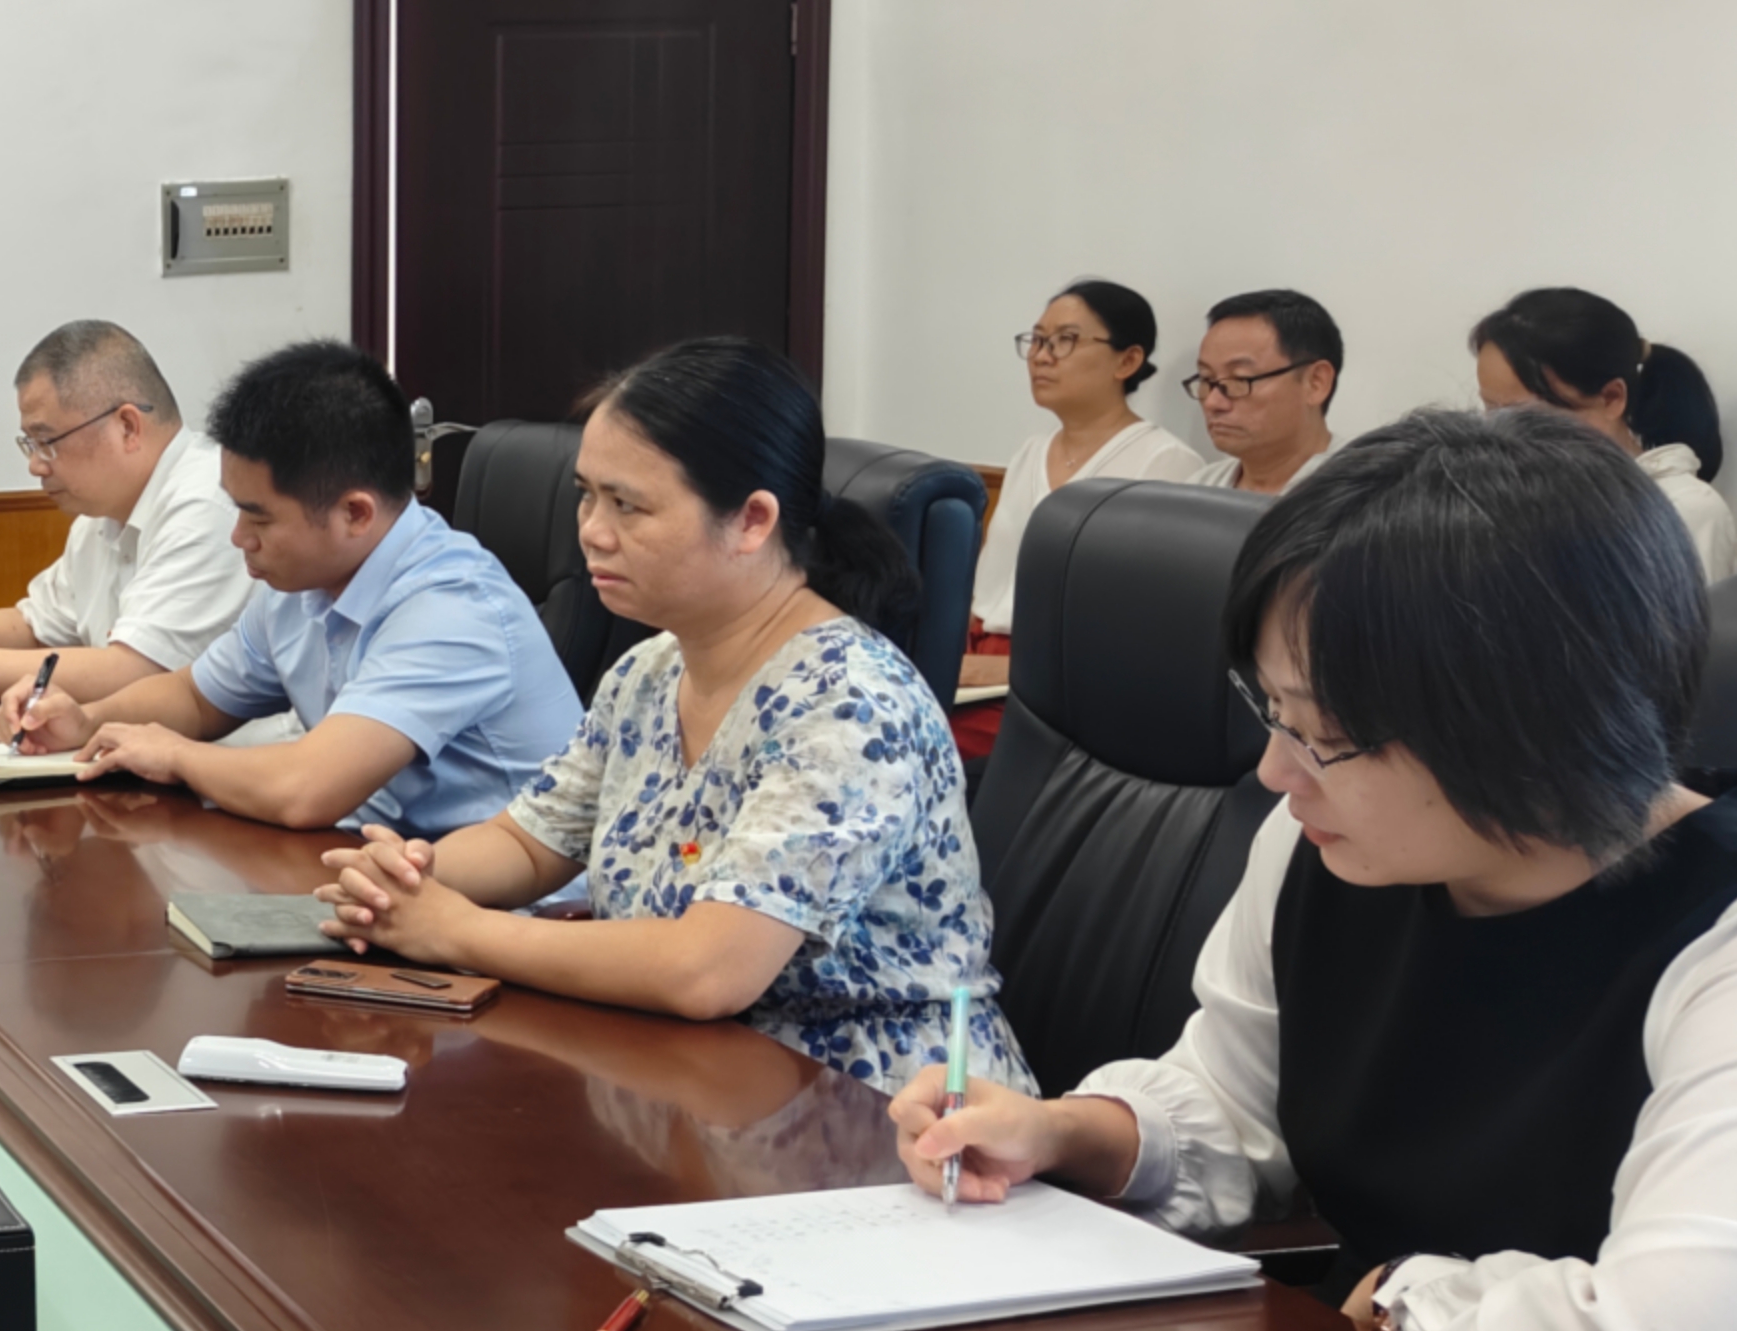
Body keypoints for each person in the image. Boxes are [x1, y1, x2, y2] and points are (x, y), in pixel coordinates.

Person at [892, 409, 1737, 1331]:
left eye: (1324, 732)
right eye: (1272, 710)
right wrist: (1064, 1133)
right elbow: (1235, 1099)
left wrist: (1405, 1297)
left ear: (1530, 725)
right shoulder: (1322, 846)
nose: (1273, 770)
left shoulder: (1713, 940)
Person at [314, 338, 1027, 1093]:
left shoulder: (849, 705)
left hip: (873, 1110)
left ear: (752, 521)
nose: (592, 529)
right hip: (681, 1079)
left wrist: (457, 931)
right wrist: (403, 879)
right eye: (587, 495)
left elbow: (708, 969)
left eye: (628, 505)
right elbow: (529, 844)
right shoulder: (652, 670)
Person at [0, 341, 571, 834]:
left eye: (259, 518)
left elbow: (305, 789)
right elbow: (196, 698)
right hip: (374, 872)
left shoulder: (450, 610)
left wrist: (175, 755)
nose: (238, 537)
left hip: (504, 910)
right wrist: (87, 721)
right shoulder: (301, 586)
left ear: (355, 514)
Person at [0, 321, 249, 707]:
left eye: (47, 441)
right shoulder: (99, 517)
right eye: (30, 444)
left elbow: (138, 671)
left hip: (227, 754)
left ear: (127, 426)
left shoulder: (210, 503)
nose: (35, 465)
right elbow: (38, 629)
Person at [961, 280, 1209, 702]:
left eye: (1065, 341)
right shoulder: (1030, 452)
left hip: (1065, 681)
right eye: (1038, 340)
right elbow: (988, 586)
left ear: (1127, 360)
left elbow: (1147, 628)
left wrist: (1004, 667)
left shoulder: (1165, 464)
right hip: (974, 661)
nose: (1041, 356)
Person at [1471, 286, 1736, 583]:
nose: (1499, 434)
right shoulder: (1514, 502)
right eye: (1490, 409)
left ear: (1611, 398)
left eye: (1524, 416)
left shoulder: (1684, 510)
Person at [1186, 288, 1342, 496]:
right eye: (1207, 379)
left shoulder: (1367, 494)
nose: (1212, 403)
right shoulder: (1198, 489)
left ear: (1316, 383)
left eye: (1239, 379)